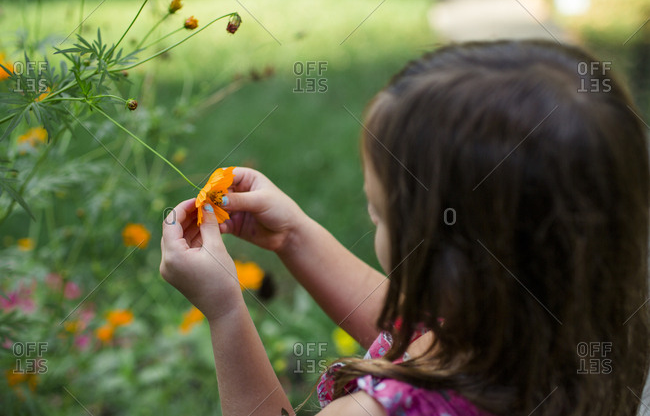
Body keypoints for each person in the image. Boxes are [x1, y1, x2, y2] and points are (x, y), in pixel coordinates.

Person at [159, 40, 650, 416]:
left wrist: (225, 310)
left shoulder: (380, 411)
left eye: (377, 211)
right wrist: (294, 237)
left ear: (446, 259)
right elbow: (417, 332)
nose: (371, 215)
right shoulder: (579, 337)